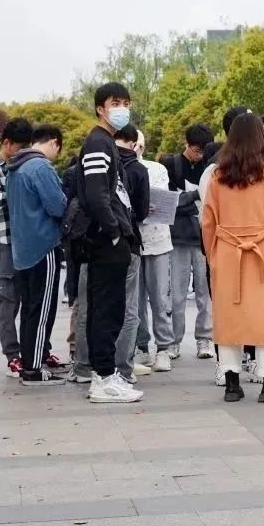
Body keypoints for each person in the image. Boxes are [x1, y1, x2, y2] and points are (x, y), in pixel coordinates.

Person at [202, 111, 264, 402]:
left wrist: (213, 255)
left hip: (228, 253)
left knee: (229, 318)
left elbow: (208, 221)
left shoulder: (218, 175)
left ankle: (232, 384)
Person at [72, 82, 142, 403]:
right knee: (105, 310)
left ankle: (105, 374)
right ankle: (103, 378)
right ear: (100, 108)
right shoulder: (98, 143)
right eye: (115, 103)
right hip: (105, 240)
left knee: (109, 309)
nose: (122, 108)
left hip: (110, 237)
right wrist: (114, 232)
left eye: (125, 102)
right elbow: (97, 194)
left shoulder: (105, 142)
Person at [7, 124, 67, 386]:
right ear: (53, 142)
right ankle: (33, 368)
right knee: (42, 311)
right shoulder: (40, 167)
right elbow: (58, 206)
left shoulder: (15, 168)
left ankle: (31, 361)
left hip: (22, 249)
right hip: (43, 247)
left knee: (30, 310)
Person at [0, 118, 34, 374]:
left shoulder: (27, 164)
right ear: (7, 143)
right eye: (19, 148)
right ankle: (12, 354)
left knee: (31, 299)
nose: (22, 153)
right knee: (7, 300)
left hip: (29, 242)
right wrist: (20, 182)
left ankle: (35, 350)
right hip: (4, 242)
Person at [161, 123, 215, 361]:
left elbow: (211, 200)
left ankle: (205, 337)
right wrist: (194, 197)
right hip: (179, 237)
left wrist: (185, 201)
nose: (199, 155)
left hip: (204, 236)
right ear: (187, 144)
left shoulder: (209, 166)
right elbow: (169, 202)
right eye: (196, 150)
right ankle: (174, 341)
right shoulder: (171, 165)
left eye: (203, 151)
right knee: (178, 294)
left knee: (205, 292)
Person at [134, 131, 176, 374]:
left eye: (137, 145)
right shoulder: (118, 169)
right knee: (135, 301)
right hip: (133, 242)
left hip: (158, 240)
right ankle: (141, 345)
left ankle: (164, 347)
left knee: (160, 298)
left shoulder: (157, 169)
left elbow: (156, 201)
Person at [113, 123, 149, 382]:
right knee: (129, 308)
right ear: (134, 143)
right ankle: (124, 367)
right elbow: (142, 211)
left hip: (100, 244)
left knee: (103, 305)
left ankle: (93, 365)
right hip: (129, 241)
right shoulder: (138, 169)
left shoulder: (98, 161)